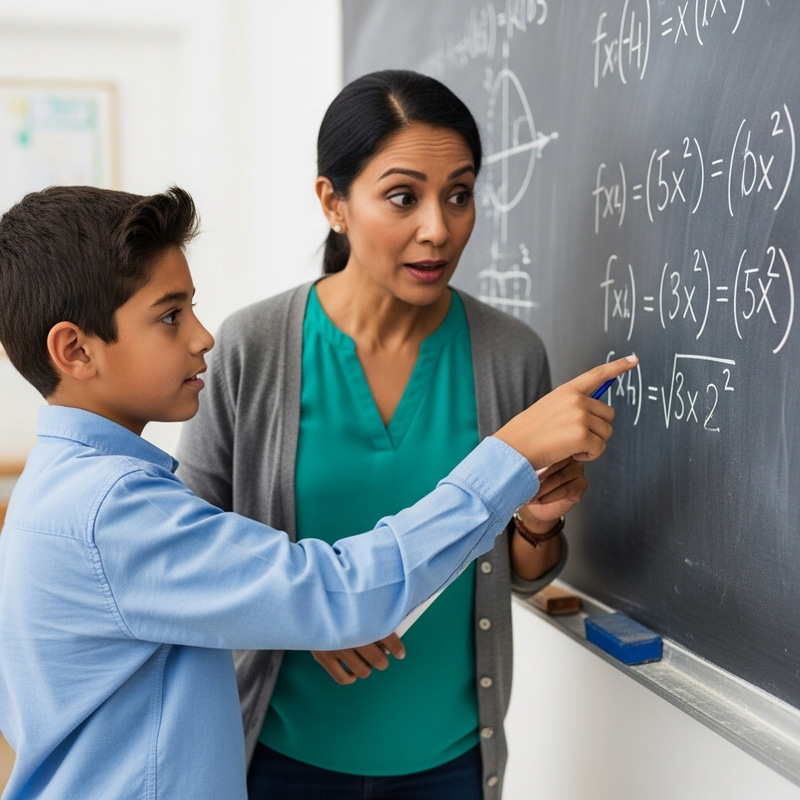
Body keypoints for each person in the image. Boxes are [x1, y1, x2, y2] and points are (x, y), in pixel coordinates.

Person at [0, 184, 635, 800]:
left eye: (192, 307)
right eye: (170, 316)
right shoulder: (111, 513)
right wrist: (512, 454)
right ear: (74, 350)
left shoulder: (66, 493)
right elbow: (341, 592)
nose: (202, 337)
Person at [176, 70, 620, 800]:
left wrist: (539, 525)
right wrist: (307, 615)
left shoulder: (510, 356)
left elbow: (525, 568)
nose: (438, 229)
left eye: (460, 194)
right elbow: (191, 550)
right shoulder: (252, 348)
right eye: (403, 197)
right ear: (333, 202)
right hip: (277, 758)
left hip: (448, 763)